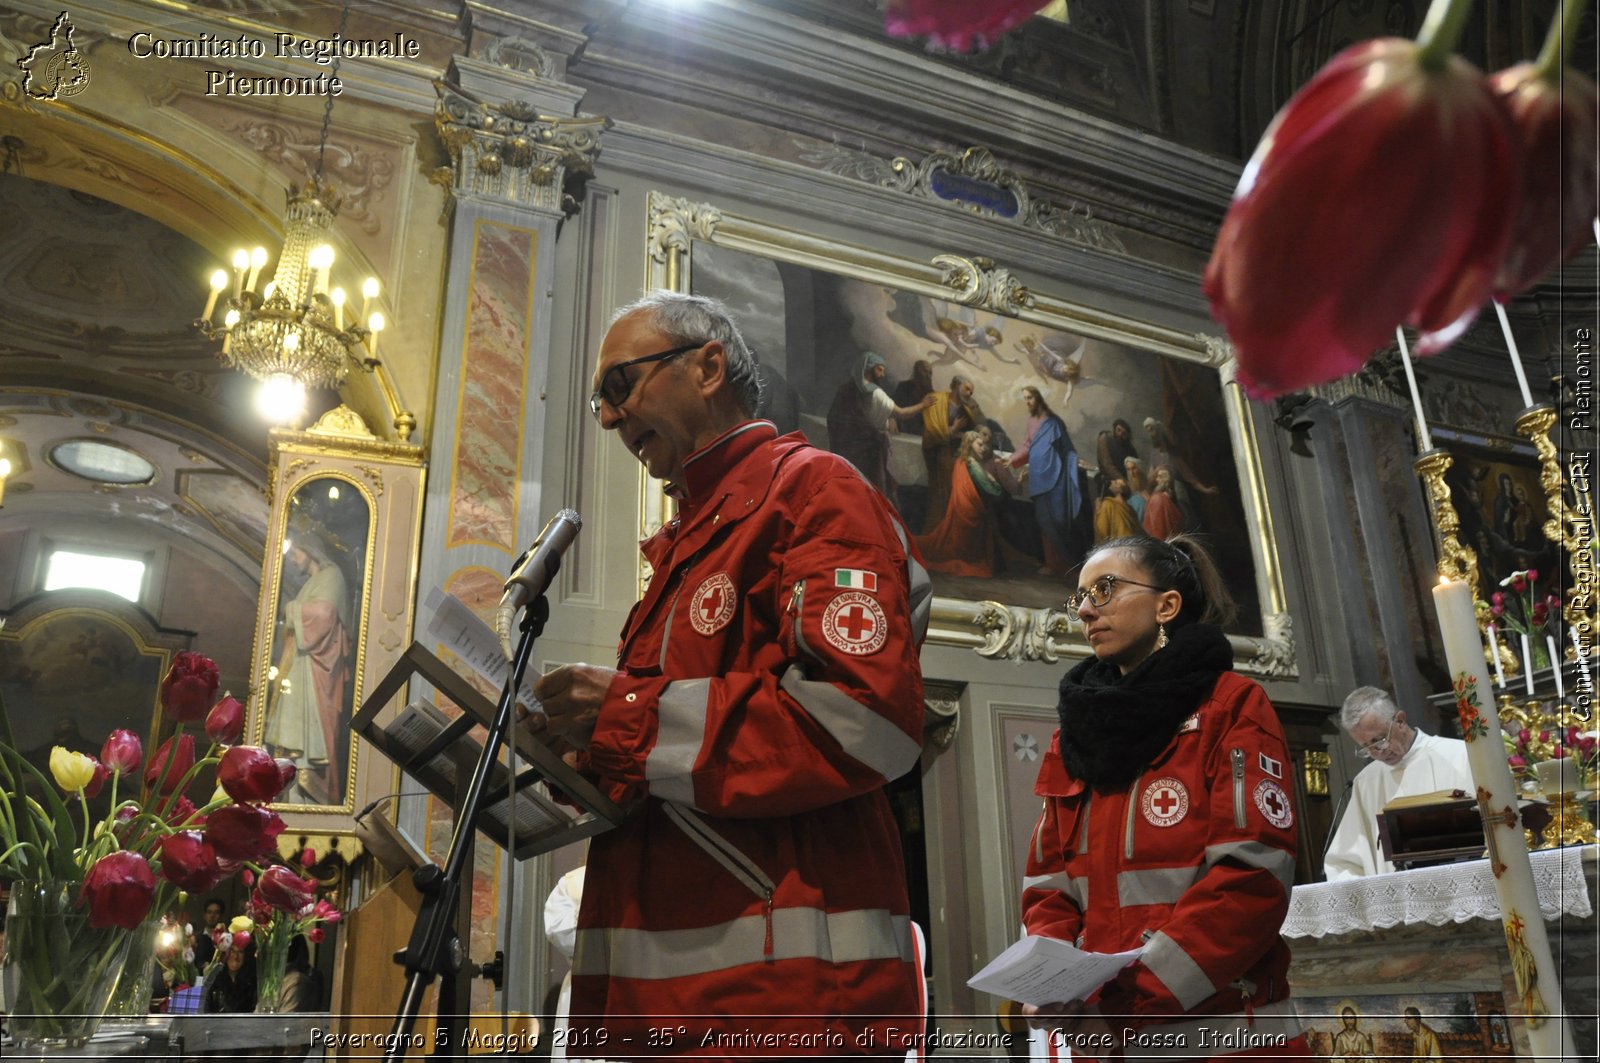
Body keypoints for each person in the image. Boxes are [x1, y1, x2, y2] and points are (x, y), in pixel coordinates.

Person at [523, 291, 931, 1054]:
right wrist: (581, 753)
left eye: (620, 386)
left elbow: (865, 719)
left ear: (708, 365)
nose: (608, 418)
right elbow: (677, 759)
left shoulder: (815, 489)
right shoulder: (684, 543)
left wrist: (624, 717)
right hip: (657, 995)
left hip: (778, 1000)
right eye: (599, 400)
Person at [1020, 534, 1308, 1060]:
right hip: (1105, 1032)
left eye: (1104, 590)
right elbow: (1048, 882)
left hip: (1219, 1034)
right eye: (1080, 597)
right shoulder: (1077, 732)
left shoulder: (1230, 707)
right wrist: (1053, 975)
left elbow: (1250, 879)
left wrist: (1133, 1001)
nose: (1085, 610)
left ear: (1166, 605)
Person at [1322, 687, 1474, 880]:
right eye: (1366, 747)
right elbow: (1344, 863)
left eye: (1379, 740)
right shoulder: (1367, 781)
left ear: (1400, 720)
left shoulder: (1460, 756)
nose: (1377, 752)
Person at [264, 530, 353, 804]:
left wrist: (291, 610)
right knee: (292, 748)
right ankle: (293, 794)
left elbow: (325, 616)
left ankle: (310, 798)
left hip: (316, 670)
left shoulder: (331, 576)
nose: (292, 560)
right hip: (301, 669)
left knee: (311, 748)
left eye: (296, 553)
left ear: (311, 550)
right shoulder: (314, 581)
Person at [826, 350, 935, 504]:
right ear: (869, 367)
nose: (883, 374)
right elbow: (902, 413)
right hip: (870, 449)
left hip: (849, 448)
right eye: (880, 369)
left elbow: (835, 418)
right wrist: (923, 405)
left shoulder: (847, 389)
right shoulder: (876, 393)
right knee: (871, 492)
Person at [1008, 386, 1087, 576]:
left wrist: (1076, 461)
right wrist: (1012, 459)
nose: (1027, 402)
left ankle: (1070, 565)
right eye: (1025, 398)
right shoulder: (1032, 421)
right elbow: (1028, 445)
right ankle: (1053, 564)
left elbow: (1067, 448)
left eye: (1030, 398)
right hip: (1037, 477)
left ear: (1039, 398)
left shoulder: (1054, 422)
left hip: (1055, 476)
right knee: (1043, 520)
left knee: (1058, 521)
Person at [921, 373, 981, 530]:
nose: (969, 393)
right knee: (939, 491)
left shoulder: (966, 408)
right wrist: (953, 430)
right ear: (956, 386)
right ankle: (934, 528)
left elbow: (970, 431)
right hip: (936, 452)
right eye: (967, 389)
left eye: (971, 392)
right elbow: (933, 429)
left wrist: (959, 433)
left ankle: (946, 529)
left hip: (953, 454)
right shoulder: (937, 400)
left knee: (951, 492)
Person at [202, 941, 257, 1013]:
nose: (235, 956)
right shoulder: (214, 980)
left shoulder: (252, 983)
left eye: (240, 952)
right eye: (232, 951)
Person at [192, 897, 225, 970]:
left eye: (216, 912)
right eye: (209, 912)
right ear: (204, 915)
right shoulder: (196, 938)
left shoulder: (226, 939)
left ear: (221, 916)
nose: (212, 916)